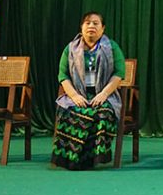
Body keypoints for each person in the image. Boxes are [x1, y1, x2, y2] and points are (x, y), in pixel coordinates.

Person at [51, 11, 126, 170]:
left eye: (96, 23)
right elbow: (63, 75)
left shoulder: (112, 47)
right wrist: (74, 96)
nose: (91, 26)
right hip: (77, 93)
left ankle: (92, 158)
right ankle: (71, 159)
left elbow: (119, 74)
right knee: (70, 111)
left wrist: (103, 94)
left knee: (103, 113)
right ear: (81, 27)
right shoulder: (70, 49)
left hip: (105, 94)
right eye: (87, 23)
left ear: (103, 28)